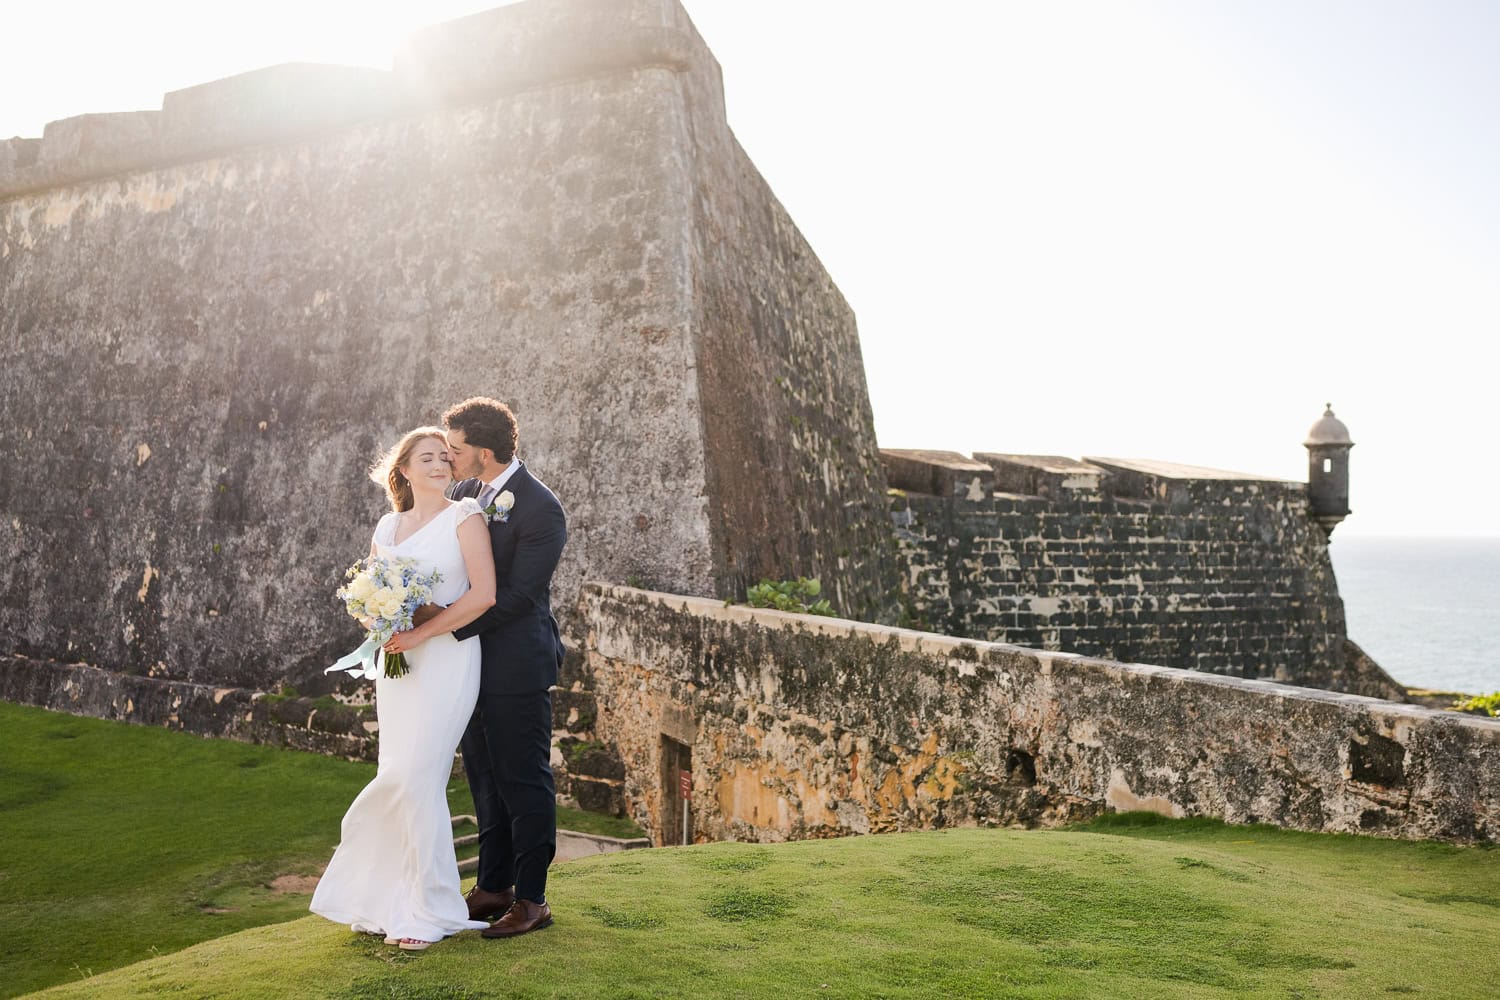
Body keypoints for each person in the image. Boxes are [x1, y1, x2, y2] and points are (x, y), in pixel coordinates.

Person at [309, 428, 496, 951]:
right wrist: (378, 619)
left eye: (445, 457)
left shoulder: (466, 517)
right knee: (401, 773)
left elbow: (483, 595)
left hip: (449, 660)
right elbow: (369, 591)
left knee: (418, 777)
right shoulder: (388, 525)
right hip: (399, 667)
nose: (440, 464)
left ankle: (430, 910)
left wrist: (419, 631)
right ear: (405, 469)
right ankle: (390, 901)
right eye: (427, 457)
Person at [425, 396, 567, 938]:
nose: (447, 458)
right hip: (469, 666)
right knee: (484, 777)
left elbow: (516, 598)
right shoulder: (463, 493)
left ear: (483, 452)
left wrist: (444, 625)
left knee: (524, 781)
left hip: (517, 665)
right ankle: (493, 885)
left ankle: (533, 899)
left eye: (455, 450)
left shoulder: (540, 508)